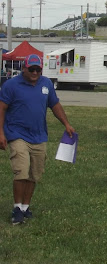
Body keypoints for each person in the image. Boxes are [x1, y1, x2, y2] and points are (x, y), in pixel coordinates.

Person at [0, 54, 75, 225]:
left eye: (38, 69)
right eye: (31, 69)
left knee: (34, 174)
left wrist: (66, 124)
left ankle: (26, 207)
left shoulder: (46, 84)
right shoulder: (11, 85)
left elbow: (54, 105)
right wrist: (1, 133)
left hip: (39, 135)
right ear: (24, 69)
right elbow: (2, 108)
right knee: (21, 171)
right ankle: (17, 208)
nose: (35, 72)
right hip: (17, 134)